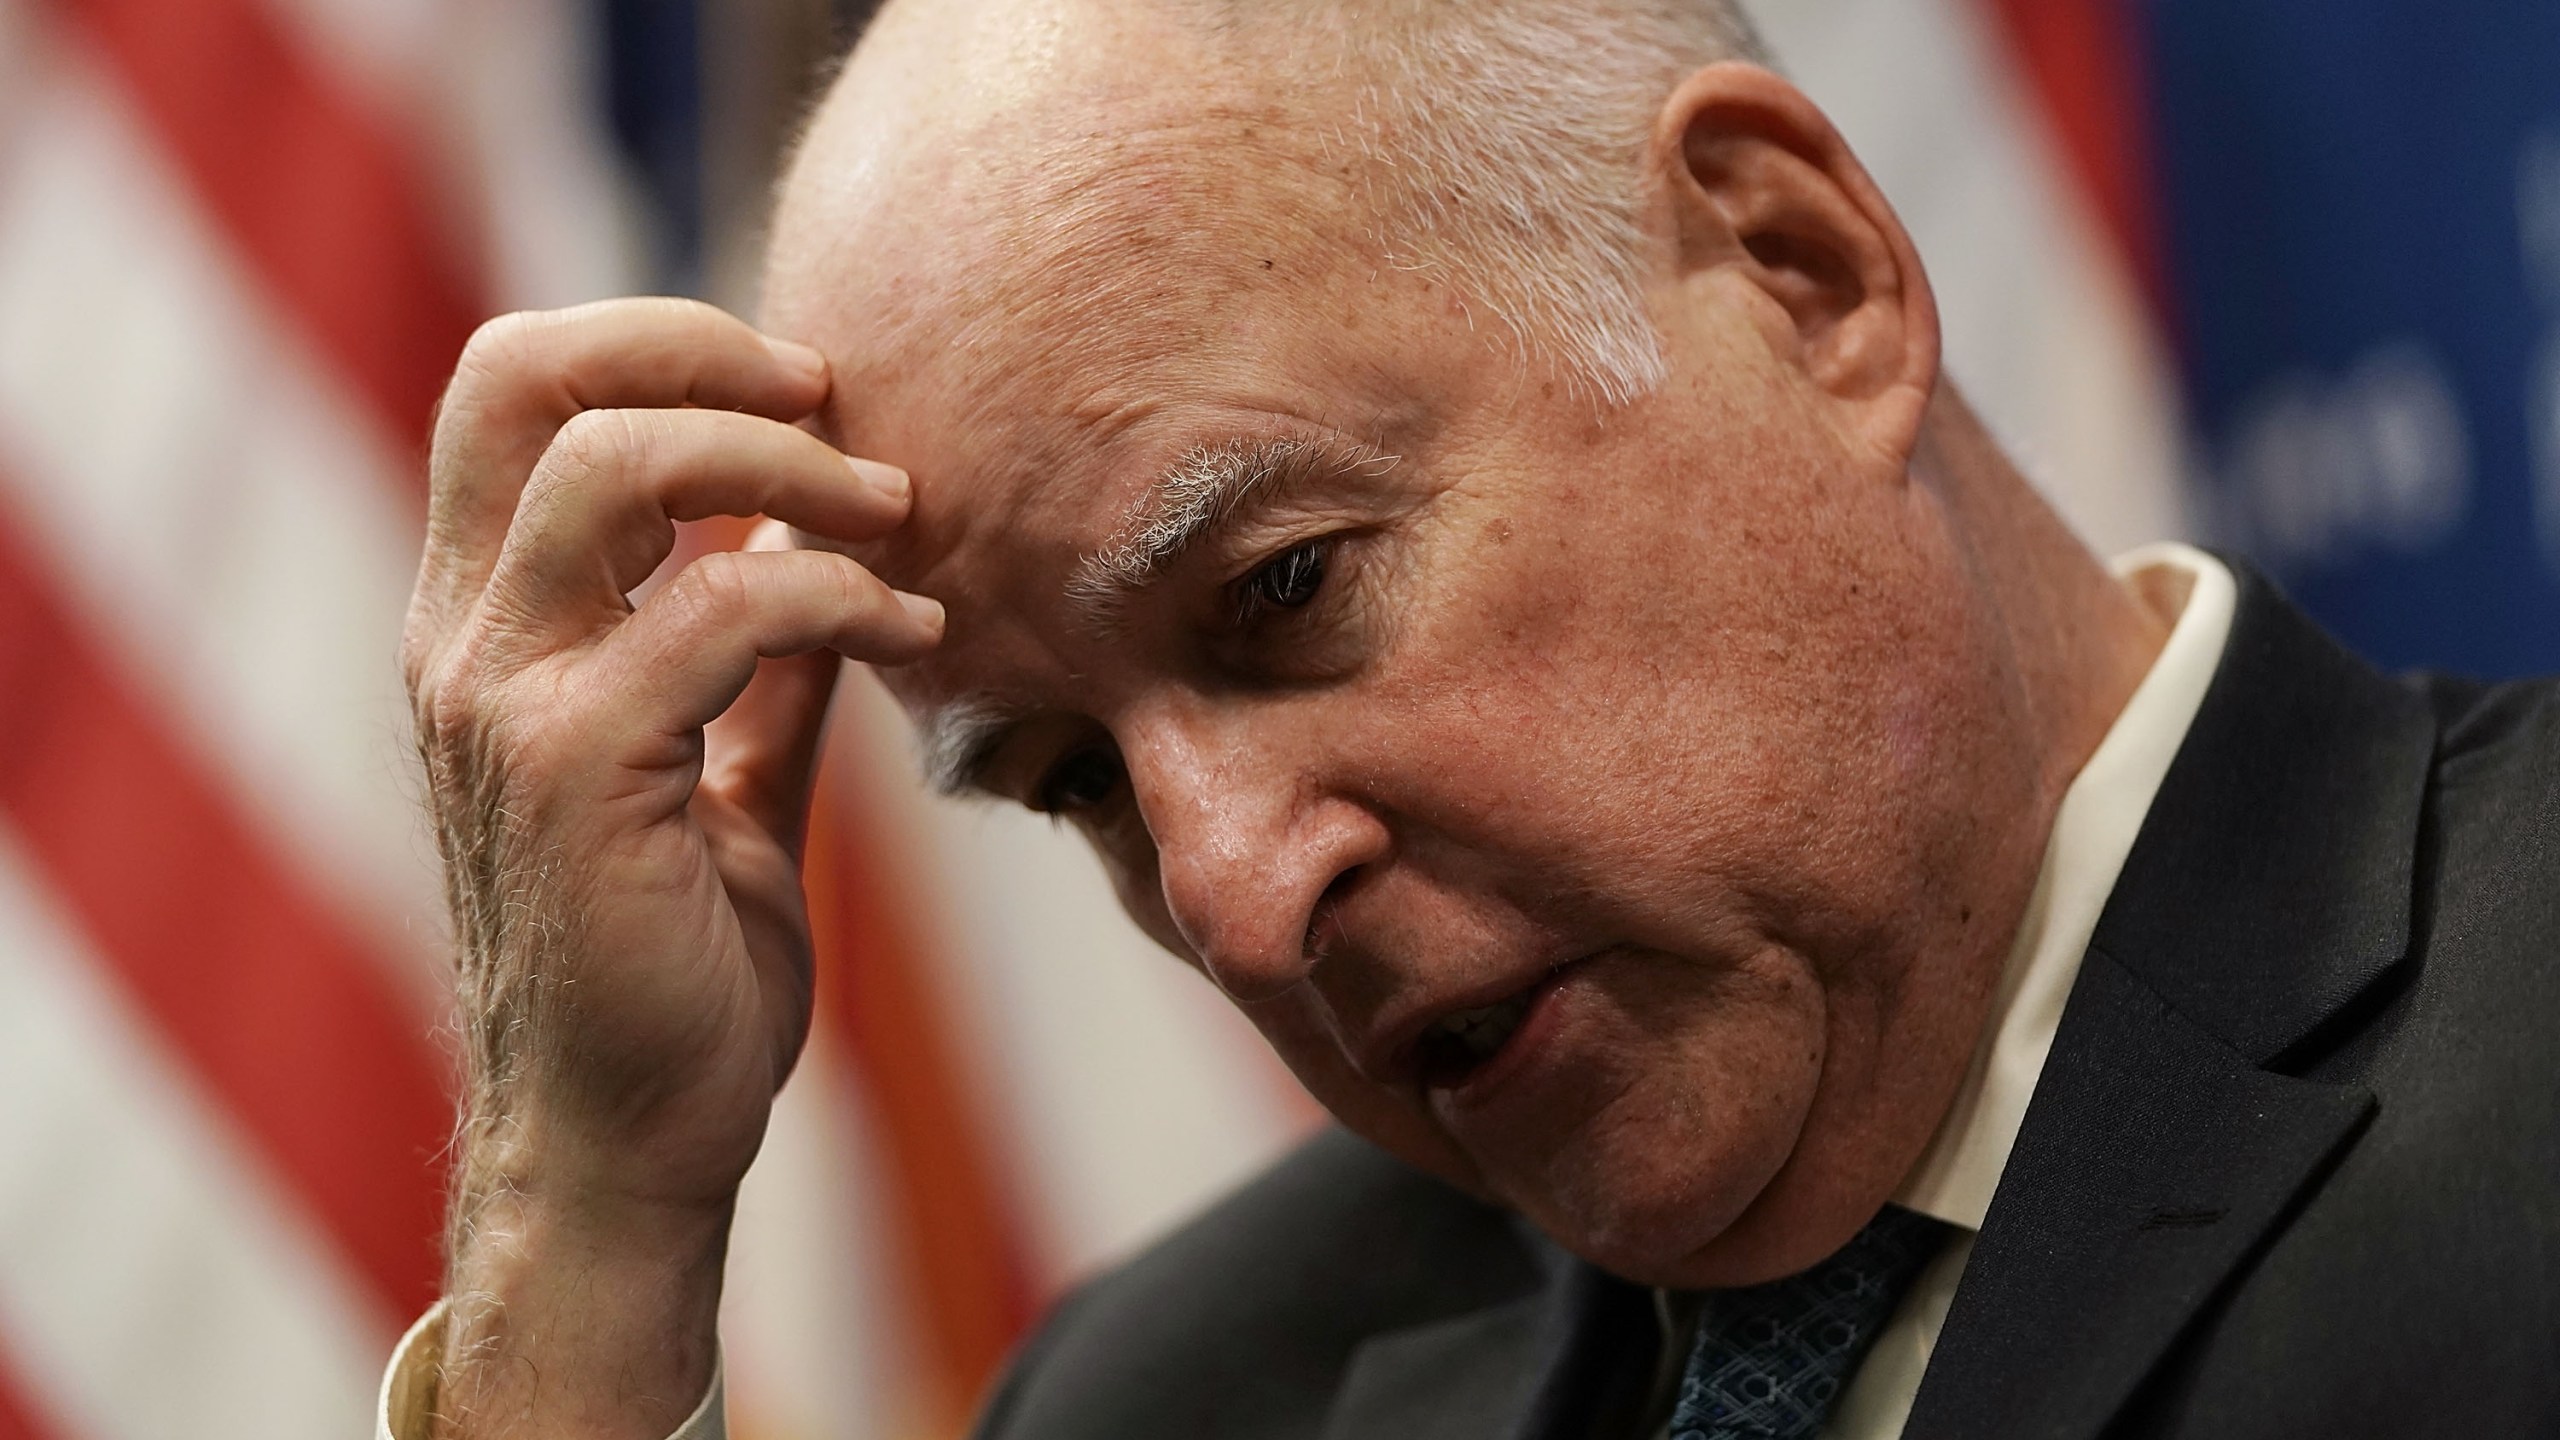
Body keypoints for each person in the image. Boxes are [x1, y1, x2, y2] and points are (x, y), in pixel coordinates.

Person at [379, 0, 2560, 1436]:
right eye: (1070, 785)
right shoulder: (1174, 1401)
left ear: (1797, 273)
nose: (1234, 901)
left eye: (1284, 592)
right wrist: (583, 1240)